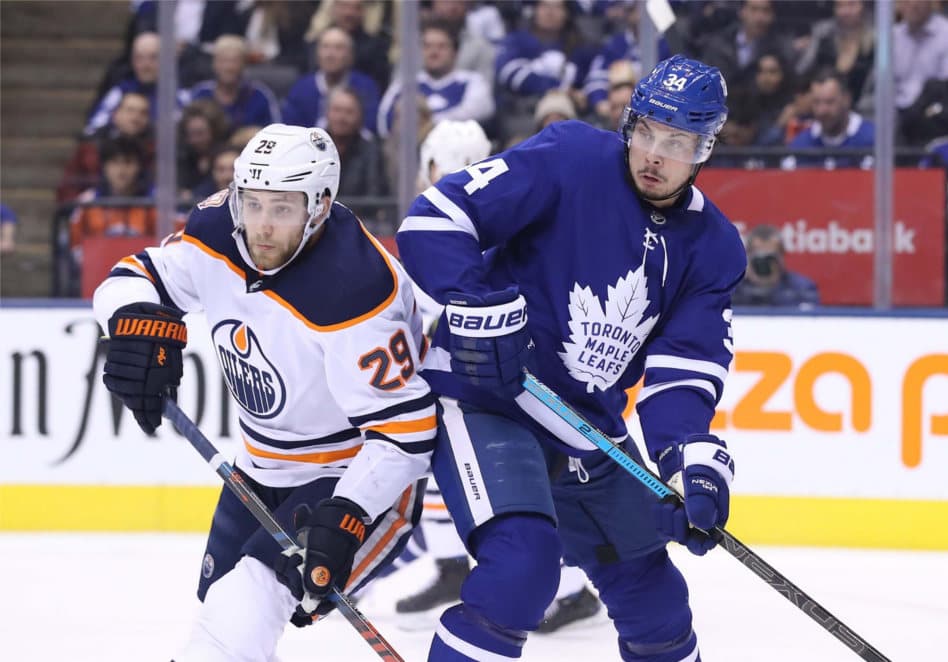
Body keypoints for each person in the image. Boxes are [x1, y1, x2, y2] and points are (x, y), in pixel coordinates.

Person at [397, 54, 745, 661]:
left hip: (587, 425)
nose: (654, 155)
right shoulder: (571, 157)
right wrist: (476, 306)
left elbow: (684, 370)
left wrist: (686, 457)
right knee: (522, 570)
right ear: (629, 124)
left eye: (678, 143)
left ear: (705, 150)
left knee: (659, 607)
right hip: (489, 395)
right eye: (646, 133)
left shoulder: (712, 246)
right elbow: (436, 219)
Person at [93, 123, 437, 661]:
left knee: (240, 608)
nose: (262, 226)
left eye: (282, 208)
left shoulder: (357, 286)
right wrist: (131, 320)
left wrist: (348, 512)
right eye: (252, 204)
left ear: (320, 206)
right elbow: (139, 274)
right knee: (224, 613)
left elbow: (407, 431)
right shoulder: (216, 231)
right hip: (259, 467)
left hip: (352, 478)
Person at [732, 224, 819, 308]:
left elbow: (808, 314)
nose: (764, 264)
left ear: (781, 256)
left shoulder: (802, 289)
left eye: (770, 258)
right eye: (759, 259)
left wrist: (773, 289)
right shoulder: (732, 290)